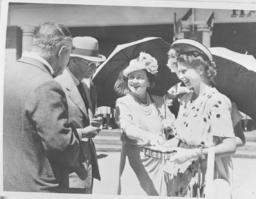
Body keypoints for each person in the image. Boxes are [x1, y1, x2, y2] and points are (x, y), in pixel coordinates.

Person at [3, 22, 96, 193]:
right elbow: (62, 147)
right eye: (69, 54)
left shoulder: (7, 72)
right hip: (41, 187)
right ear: (62, 51)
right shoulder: (47, 85)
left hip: (9, 182)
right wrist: (79, 135)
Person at [165, 39, 237, 198]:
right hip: (183, 175)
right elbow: (181, 138)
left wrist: (193, 153)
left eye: (184, 71)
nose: (180, 77)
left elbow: (230, 145)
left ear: (200, 68)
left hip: (207, 175)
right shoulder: (184, 99)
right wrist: (163, 144)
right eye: (178, 72)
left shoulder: (216, 101)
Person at [114, 52, 175, 196]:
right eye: (131, 77)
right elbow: (128, 128)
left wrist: (169, 125)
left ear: (149, 82)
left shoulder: (159, 102)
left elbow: (174, 127)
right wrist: (149, 137)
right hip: (135, 163)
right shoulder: (123, 103)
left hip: (159, 163)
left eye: (140, 77)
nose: (134, 81)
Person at [55, 36, 106, 193]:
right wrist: (84, 132)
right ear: (73, 60)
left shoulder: (86, 86)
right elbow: (55, 132)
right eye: (90, 63)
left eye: (96, 64)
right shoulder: (57, 85)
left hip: (85, 167)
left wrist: (93, 122)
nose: (94, 68)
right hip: (68, 170)